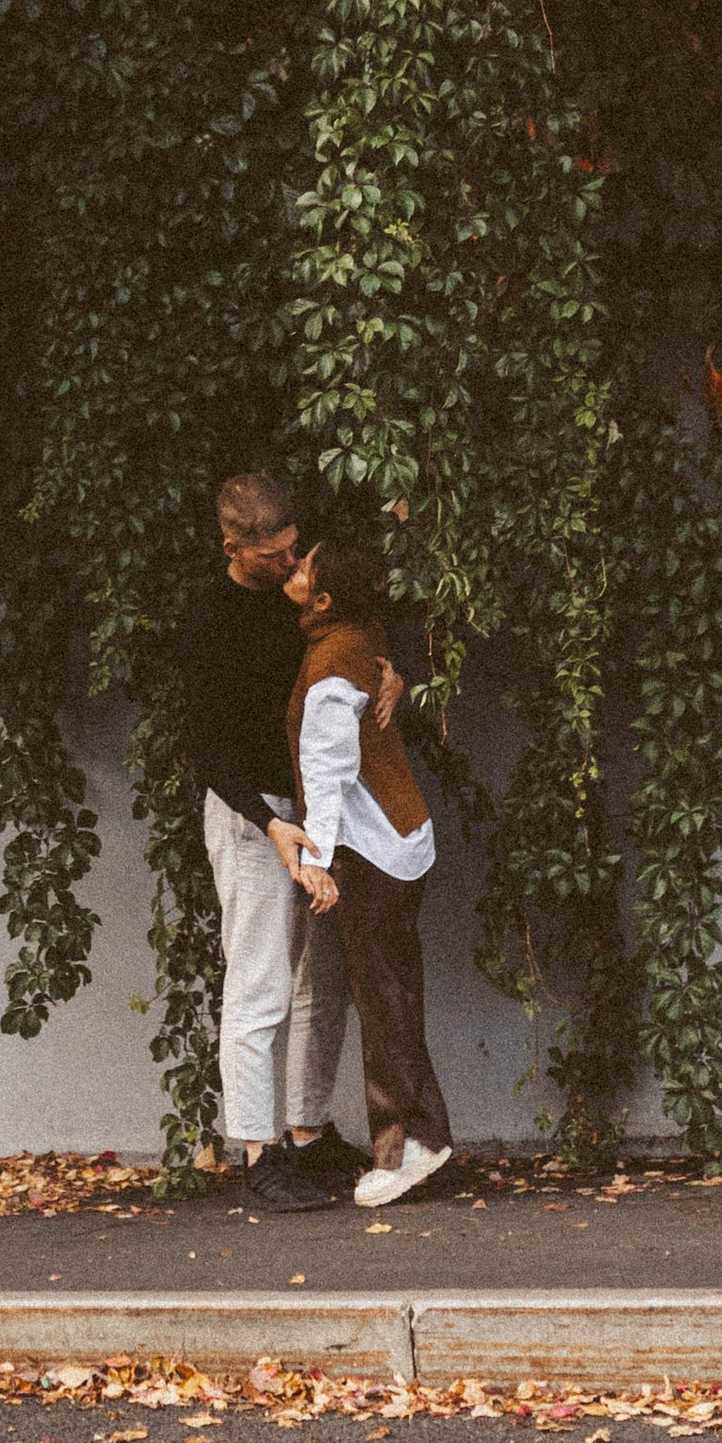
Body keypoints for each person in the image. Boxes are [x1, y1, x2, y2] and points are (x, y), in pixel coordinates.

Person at [177, 470, 358, 1210]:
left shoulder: (300, 602)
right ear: (231, 547)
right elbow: (204, 746)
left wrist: (391, 681)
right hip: (250, 813)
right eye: (272, 558)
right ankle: (259, 1150)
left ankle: (309, 1133)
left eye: (293, 551)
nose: (291, 568)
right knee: (259, 982)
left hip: (313, 810)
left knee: (327, 977)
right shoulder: (207, 620)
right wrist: (269, 820)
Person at [273, 536, 454, 1207]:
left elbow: (328, 775)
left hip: (370, 853)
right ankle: (425, 1135)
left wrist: (315, 863)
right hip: (399, 841)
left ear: (321, 598)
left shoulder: (329, 665)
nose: (289, 567)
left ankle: (409, 1146)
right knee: (395, 995)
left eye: (301, 565)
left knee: (382, 1003)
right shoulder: (356, 631)